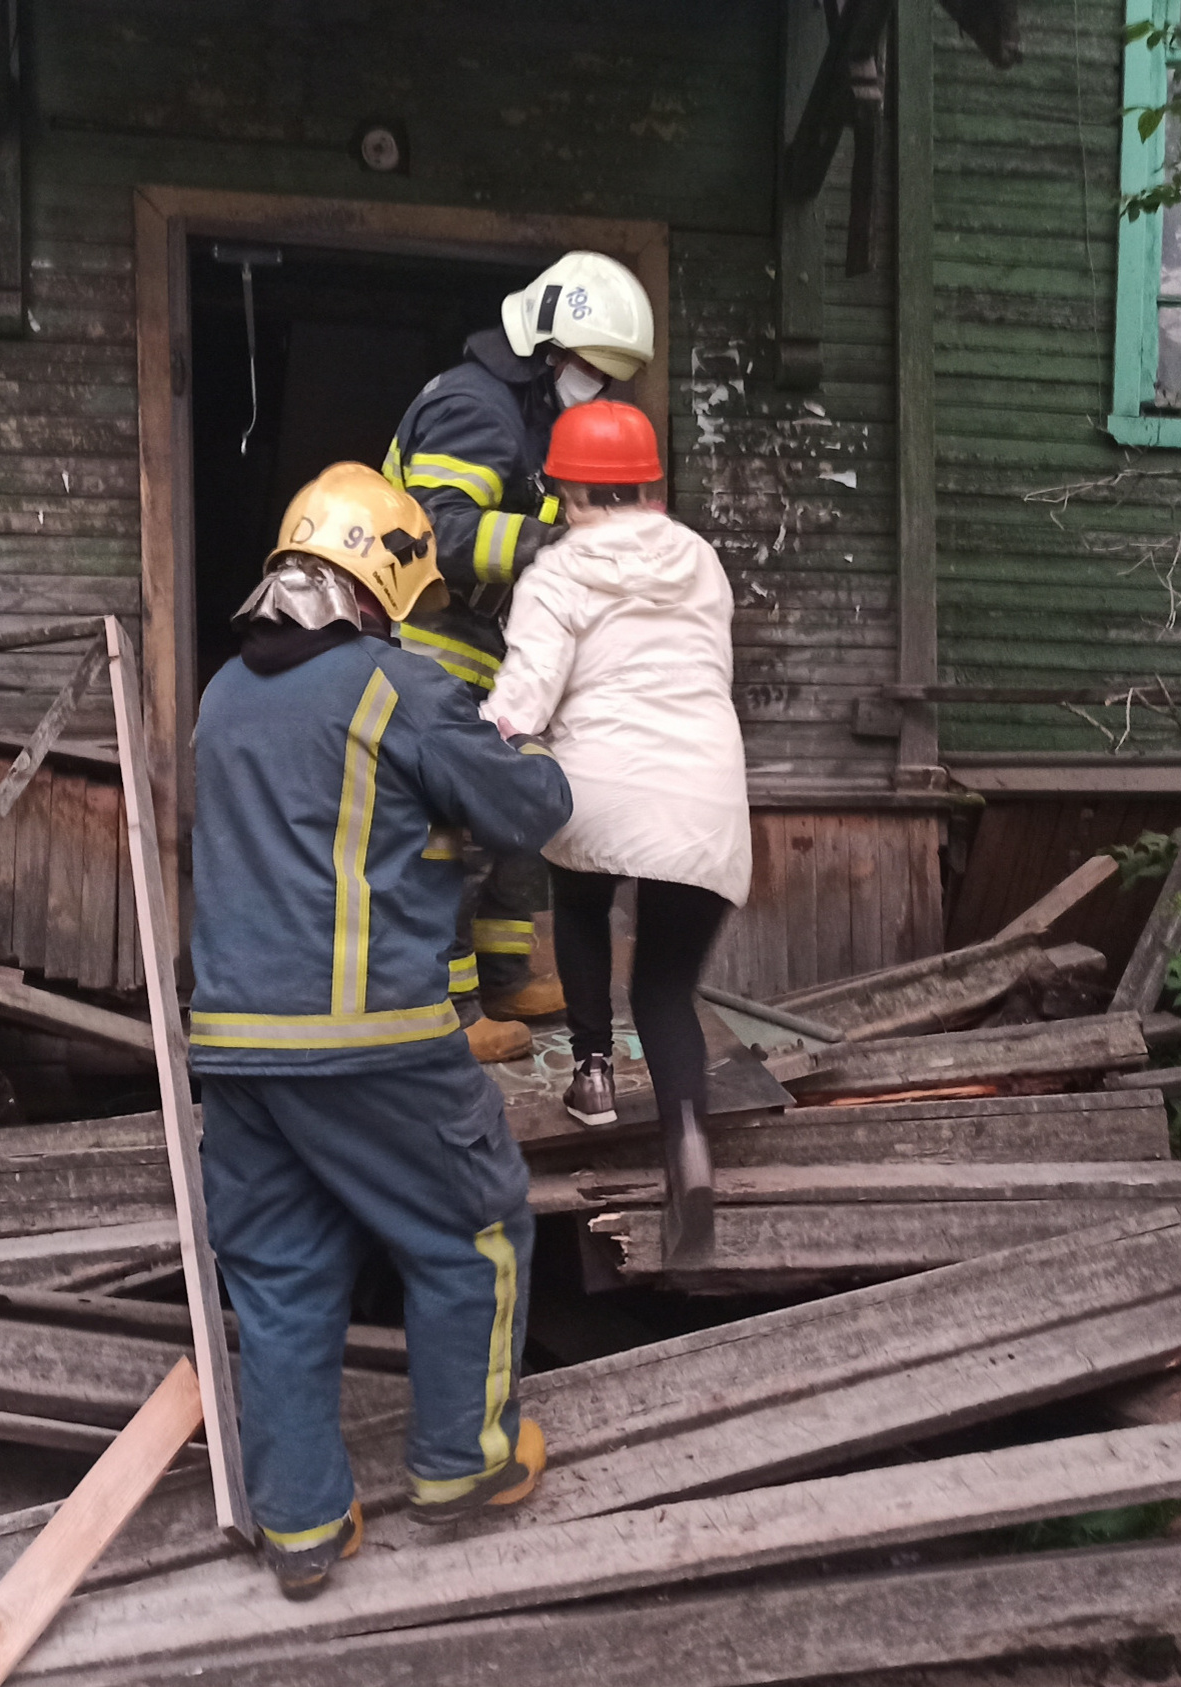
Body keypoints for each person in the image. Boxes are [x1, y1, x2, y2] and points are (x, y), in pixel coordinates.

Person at [188, 463, 575, 1600]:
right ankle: (466, 1464)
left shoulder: (221, 695)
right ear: (391, 578)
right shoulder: (393, 685)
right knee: (477, 1232)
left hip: (238, 1051)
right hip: (375, 1042)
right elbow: (525, 811)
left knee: (280, 1272)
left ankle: (303, 1525)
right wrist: (534, 748)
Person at [482, 400, 749, 1265]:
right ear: (649, 483)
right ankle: (687, 1145)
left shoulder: (556, 574)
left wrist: (471, 740)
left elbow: (523, 701)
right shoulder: (702, 560)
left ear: (563, 488)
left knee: (580, 896)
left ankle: (592, 1075)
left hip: (596, 784)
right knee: (667, 990)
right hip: (707, 794)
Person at [383, 249, 657, 1062]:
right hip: (428, 656)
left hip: (488, 658)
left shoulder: (532, 416)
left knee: (512, 820)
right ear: (546, 348)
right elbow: (438, 534)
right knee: (449, 833)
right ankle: (453, 1009)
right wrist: (561, 543)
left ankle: (502, 973)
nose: (599, 389)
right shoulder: (473, 409)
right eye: (592, 371)